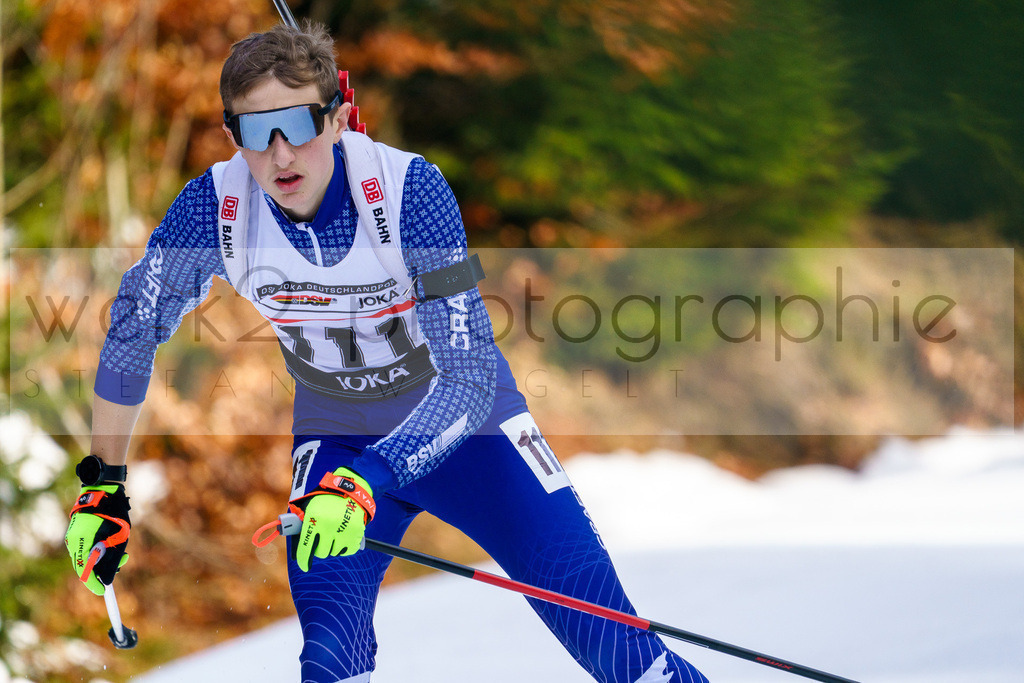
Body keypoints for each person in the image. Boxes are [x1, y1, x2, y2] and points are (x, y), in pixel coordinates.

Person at [64, 21, 709, 683]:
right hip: (338, 434)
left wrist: (369, 481)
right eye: (257, 131)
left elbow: (467, 379)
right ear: (232, 137)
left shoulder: (409, 194)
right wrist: (103, 488)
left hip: (467, 431)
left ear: (338, 118)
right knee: (329, 660)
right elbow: (131, 331)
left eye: (298, 125)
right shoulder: (215, 208)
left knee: (620, 651)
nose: (282, 156)